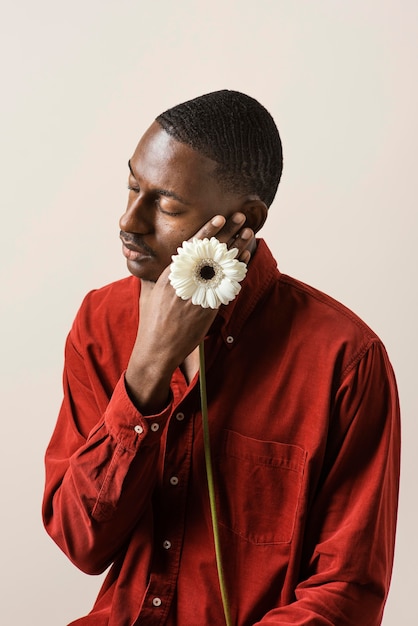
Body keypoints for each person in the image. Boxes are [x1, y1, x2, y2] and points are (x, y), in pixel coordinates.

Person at [42, 90, 400, 626]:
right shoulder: (100, 321)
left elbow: (347, 592)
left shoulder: (345, 359)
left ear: (243, 220)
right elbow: (81, 542)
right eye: (132, 187)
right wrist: (147, 370)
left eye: (165, 204)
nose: (129, 220)